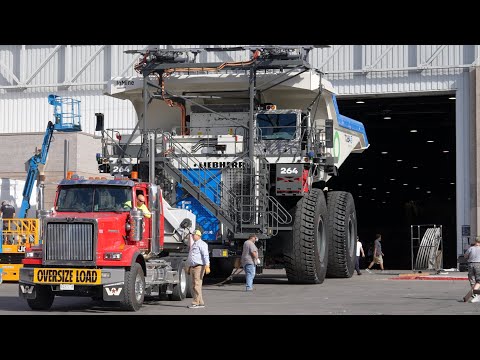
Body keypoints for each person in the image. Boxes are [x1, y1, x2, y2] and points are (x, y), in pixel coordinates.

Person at [186, 229, 210, 308]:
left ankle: (196, 302)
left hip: (199, 267)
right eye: (192, 235)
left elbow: (205, 255)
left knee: (196, 285)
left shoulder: (202, 244)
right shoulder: (194, 244)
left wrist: (207, 265)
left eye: (194, 235)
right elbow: (191, 256)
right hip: (193, 267)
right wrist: (189, 266)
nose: (192, 236)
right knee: (195, 285)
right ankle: (200, 302)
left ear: (198, 235)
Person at [463, 237, 480, 302]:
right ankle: (474, 293)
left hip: (470, 265)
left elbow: (465, 256)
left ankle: (471, 294)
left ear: (475, 241)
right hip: (479, 264)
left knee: (472, 281)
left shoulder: (471, 248)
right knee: (479, 281)